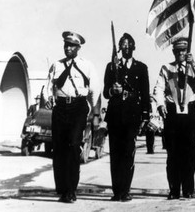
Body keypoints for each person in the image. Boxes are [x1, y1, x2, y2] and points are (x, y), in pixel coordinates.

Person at [45, 31, 100, 203]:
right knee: (59, 147)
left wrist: (91, 110)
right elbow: (48, 86)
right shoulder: (56, 65)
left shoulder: (87, 65)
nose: (68, 48)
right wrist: (48, 99)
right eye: (66, 45)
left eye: (72, 46)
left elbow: (95, 89)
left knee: (73, 145)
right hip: (60, 107)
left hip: (78, 107)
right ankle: (61, 188)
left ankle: (71, 190)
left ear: (78, 48)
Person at [154, 37, 195, 200]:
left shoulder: (194, 67)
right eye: (178, 51)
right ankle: (174, 189)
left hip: (189, 113)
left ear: (187, 51)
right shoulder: (167, 68)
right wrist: (160, 104)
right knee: (173, 153)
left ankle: (188, 189)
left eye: (183, 50)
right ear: (174, 52)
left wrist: (194, 63)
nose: (181, 54)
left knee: (190, 153)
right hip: (172, 113)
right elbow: (158, 88)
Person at [103, 33, 151, 202]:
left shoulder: (141, 68)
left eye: (128, 45)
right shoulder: (111, 67)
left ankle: (126, 190)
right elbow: (105, 92)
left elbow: (145, 93)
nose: (125, 48)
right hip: (115, 115)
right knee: (115, 154)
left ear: (133, 47)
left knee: (128, 153)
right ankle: (117, 191)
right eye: (122, 45)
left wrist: (146, 115)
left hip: (132, 115)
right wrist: (112, 90)